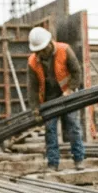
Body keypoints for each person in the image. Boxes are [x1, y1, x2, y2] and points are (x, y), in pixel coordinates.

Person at [27, 26, 86, 171]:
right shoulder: (33, 62)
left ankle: (79, 159)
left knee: (73, 126)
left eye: (42, 50)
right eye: (37, 51)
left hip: (67, 95)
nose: (40, 53)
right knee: (50, 130)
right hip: (48, 99)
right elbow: (32, 88)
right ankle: (53, 163)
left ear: (49, 43)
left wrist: (70, 89)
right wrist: (35, 109)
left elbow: (76, 72)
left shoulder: (64, 50)